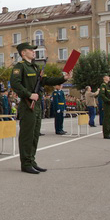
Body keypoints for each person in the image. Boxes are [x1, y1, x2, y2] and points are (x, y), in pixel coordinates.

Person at [10, 42, 69, 174]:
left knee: (35, 135)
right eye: (30, 50)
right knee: (27, 135)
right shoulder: (20, 67)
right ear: (23, 53)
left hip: (36, 105)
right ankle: (25, 163)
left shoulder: (35, 67)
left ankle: (32, 160)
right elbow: (15, 84)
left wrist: (63, 79)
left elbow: (46, 81)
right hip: (27, 105)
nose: (33, 52)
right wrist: (29, 94)